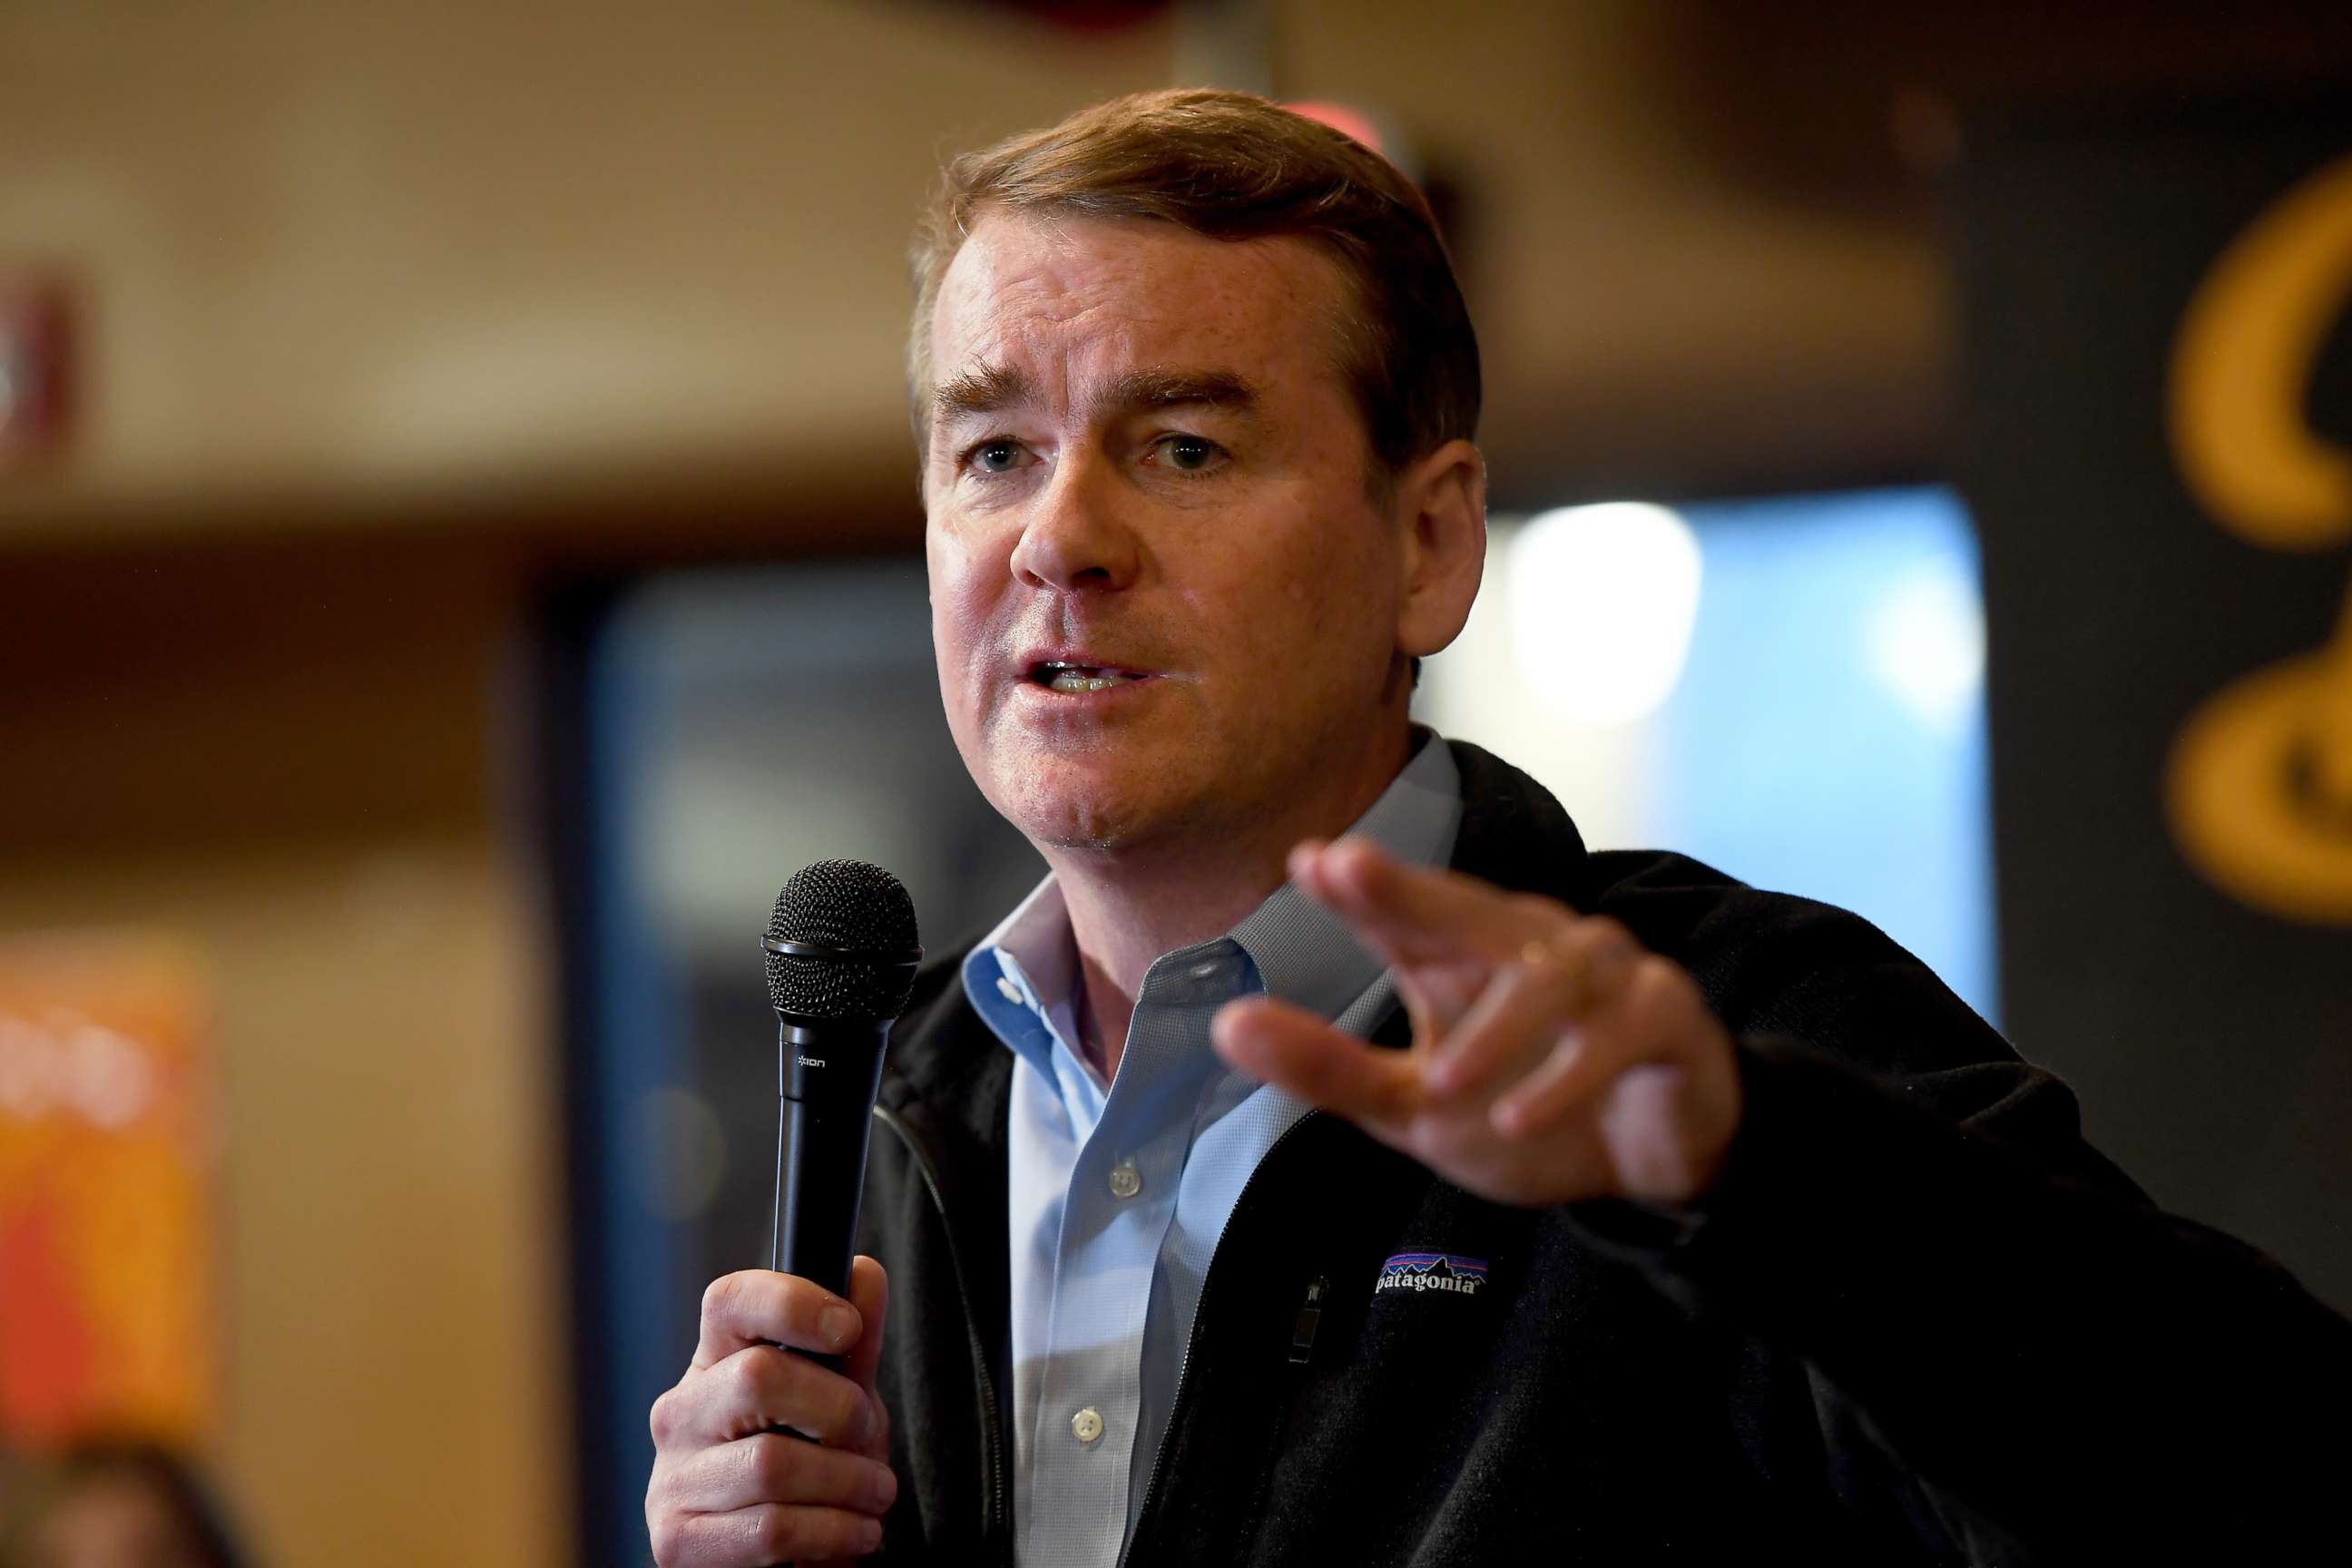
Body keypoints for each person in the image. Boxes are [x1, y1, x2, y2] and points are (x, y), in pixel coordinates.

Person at [645, 87, 2350, 1565]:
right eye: (996, 451)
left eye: (1179, 447)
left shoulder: (1722, 1035)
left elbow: (2271, 1491)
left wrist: (1753, 1172)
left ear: (1431, 544)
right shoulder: (889, 1117)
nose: (1061, 538)